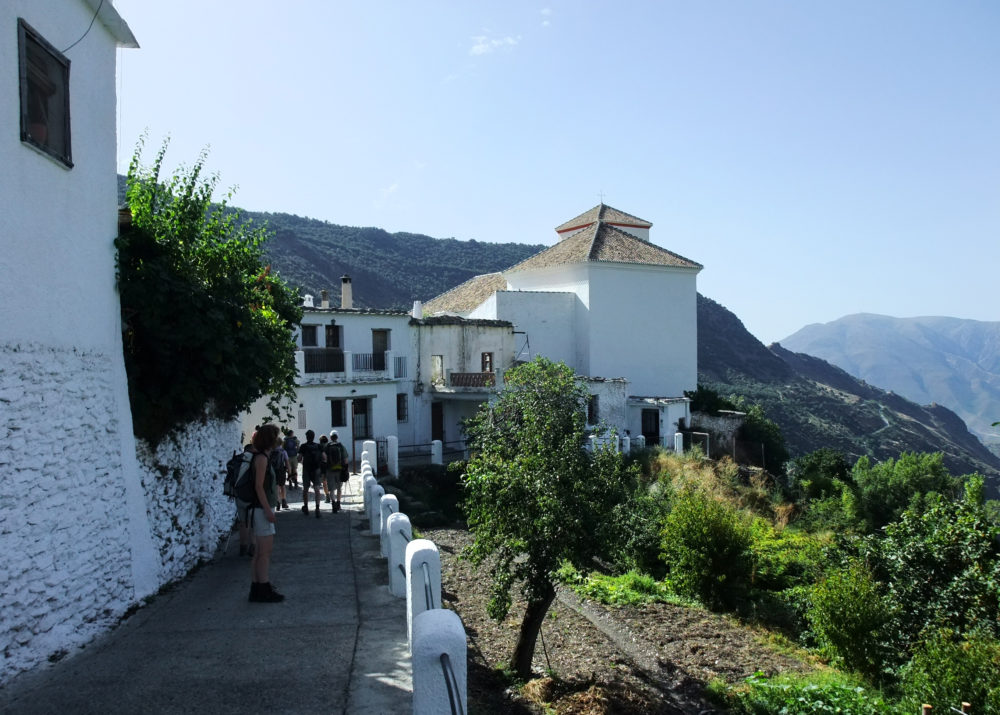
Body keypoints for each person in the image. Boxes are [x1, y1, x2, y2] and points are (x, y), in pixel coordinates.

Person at [247, 424, 284, 603]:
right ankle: (264, 587)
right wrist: (268, 511)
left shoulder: (260, 457)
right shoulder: (261, 459)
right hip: (262, 510)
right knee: (264, 553)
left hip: (259, 509)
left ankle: (257, 588)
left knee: (259, 552)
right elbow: (259, 487)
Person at [298, 429, 323, 518]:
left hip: (307, 469)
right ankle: (317, 508)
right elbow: (324, 457)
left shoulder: (303, 446)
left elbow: (299, 458)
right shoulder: (318, 446)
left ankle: (306, 507)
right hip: (316, 469)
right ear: (313, 436)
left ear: (306, 437)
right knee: (317, 489)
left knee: (305, 489)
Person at [326, 430, 349, 512]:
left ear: (330, 437)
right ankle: (338, 504)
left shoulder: (327, 446)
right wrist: (346, 469)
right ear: (337, 437)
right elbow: (346, 460)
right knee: (339, 488)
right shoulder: (341, 446)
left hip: (330, 470)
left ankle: (333, 504)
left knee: (331, 489)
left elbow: (324, 459)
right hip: (339, 470)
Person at [270, 441, 290, 510]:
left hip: (273, 471)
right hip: (281, 470)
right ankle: (284, 501)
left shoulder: (271, 451)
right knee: (282, 486)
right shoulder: (283, 451)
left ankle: (278, 502)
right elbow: (287, 462)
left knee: (276, 486)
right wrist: (289, 472)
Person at [319, 434, 331, 504]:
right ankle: (331, 494)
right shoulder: (330, 446)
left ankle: (327, 495)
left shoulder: (320, 447)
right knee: (331, 480)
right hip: (330, 466)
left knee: (324, 482)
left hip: (323, 466)